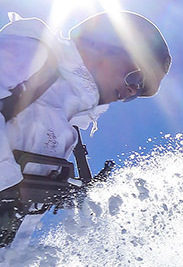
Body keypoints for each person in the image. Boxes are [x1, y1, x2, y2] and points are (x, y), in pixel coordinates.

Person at [0, 10, 170, 253]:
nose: (133, 91)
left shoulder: (70, 132)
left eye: (140, 90)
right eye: (137, 77)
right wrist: (6, 188)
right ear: (107, 45)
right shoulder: (34, 55)